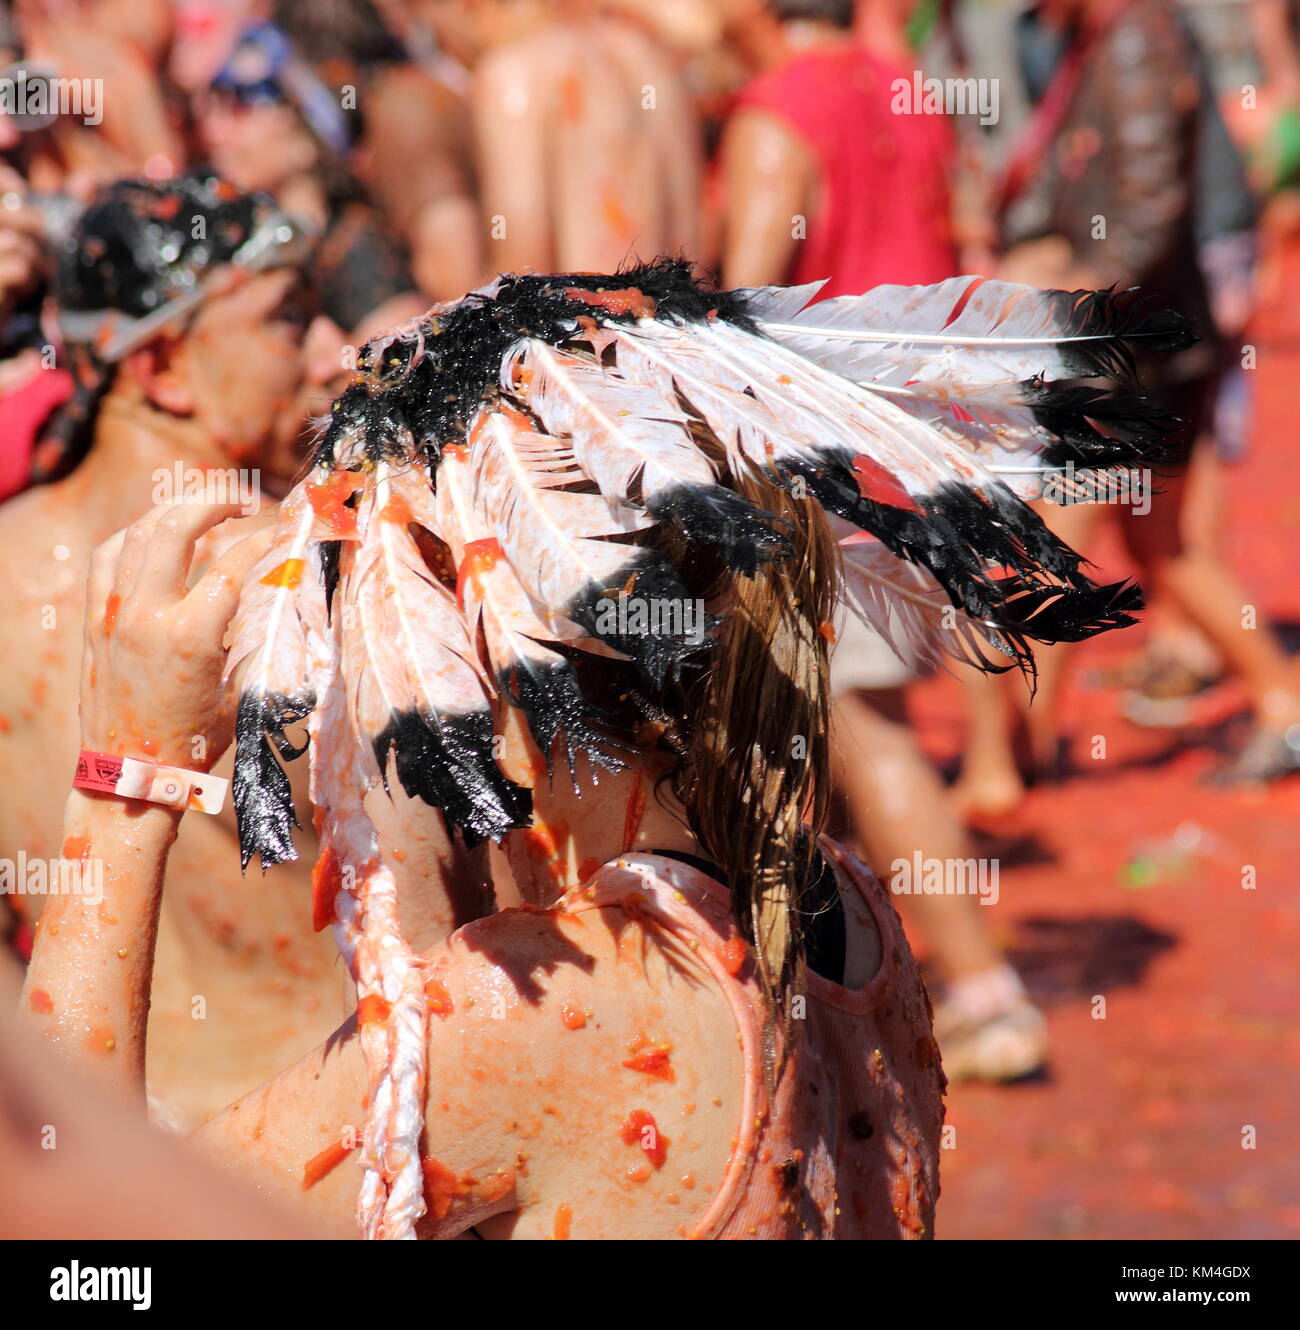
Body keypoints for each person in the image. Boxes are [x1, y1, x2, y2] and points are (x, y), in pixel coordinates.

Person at [20, 251, 1186, 1237]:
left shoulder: (528, 1025)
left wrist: (121, 774)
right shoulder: (854, 917)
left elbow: (85, 1233)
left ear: (452, 629)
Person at [719, 0, 1047, 1081]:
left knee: (873, 730)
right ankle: (834, 1001)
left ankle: (985, 995)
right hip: (920, 444)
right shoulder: (905, 90)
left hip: (840, 471)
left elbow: (747, 319)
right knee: (830, 739)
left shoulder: (778, 113)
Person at [0, 172, 349, 1128]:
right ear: (163, 368)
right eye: (291, 319)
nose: (334, 352)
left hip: (115, 1151)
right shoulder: (294, 570)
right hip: (323, 1144)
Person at [462, 0, 702, 273]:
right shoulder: (652, 64)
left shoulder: (515, 76)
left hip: (581, 308)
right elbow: (689, 246)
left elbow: (522, 259)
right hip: (667, 307)